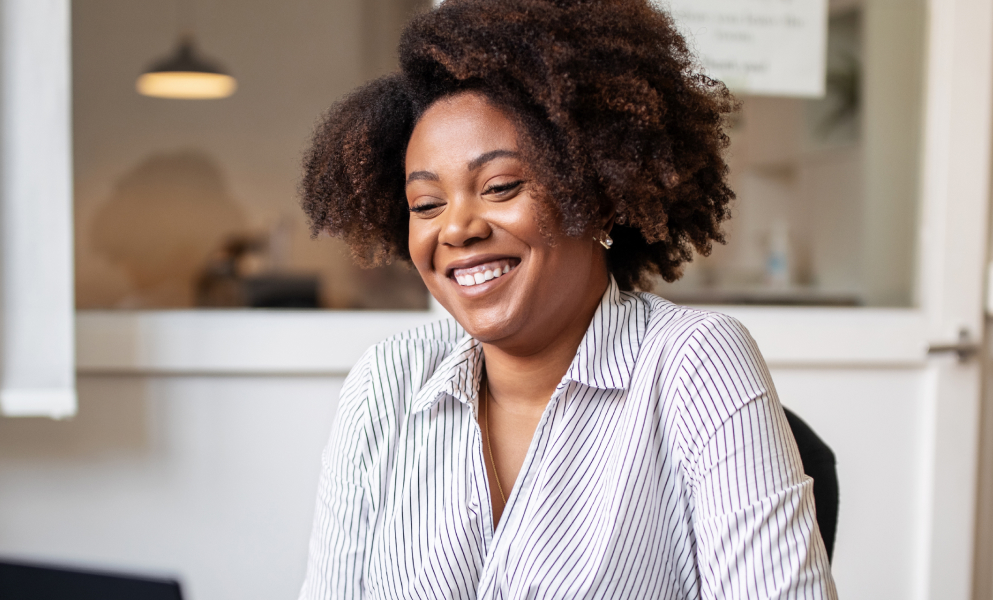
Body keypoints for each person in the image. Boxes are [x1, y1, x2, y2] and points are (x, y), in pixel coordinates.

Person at [296, 0, 835, 597]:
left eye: (500, 186)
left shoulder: (694, 365)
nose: (456, 229)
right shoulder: (386, 384)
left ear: (597, 196)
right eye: (426, 204)